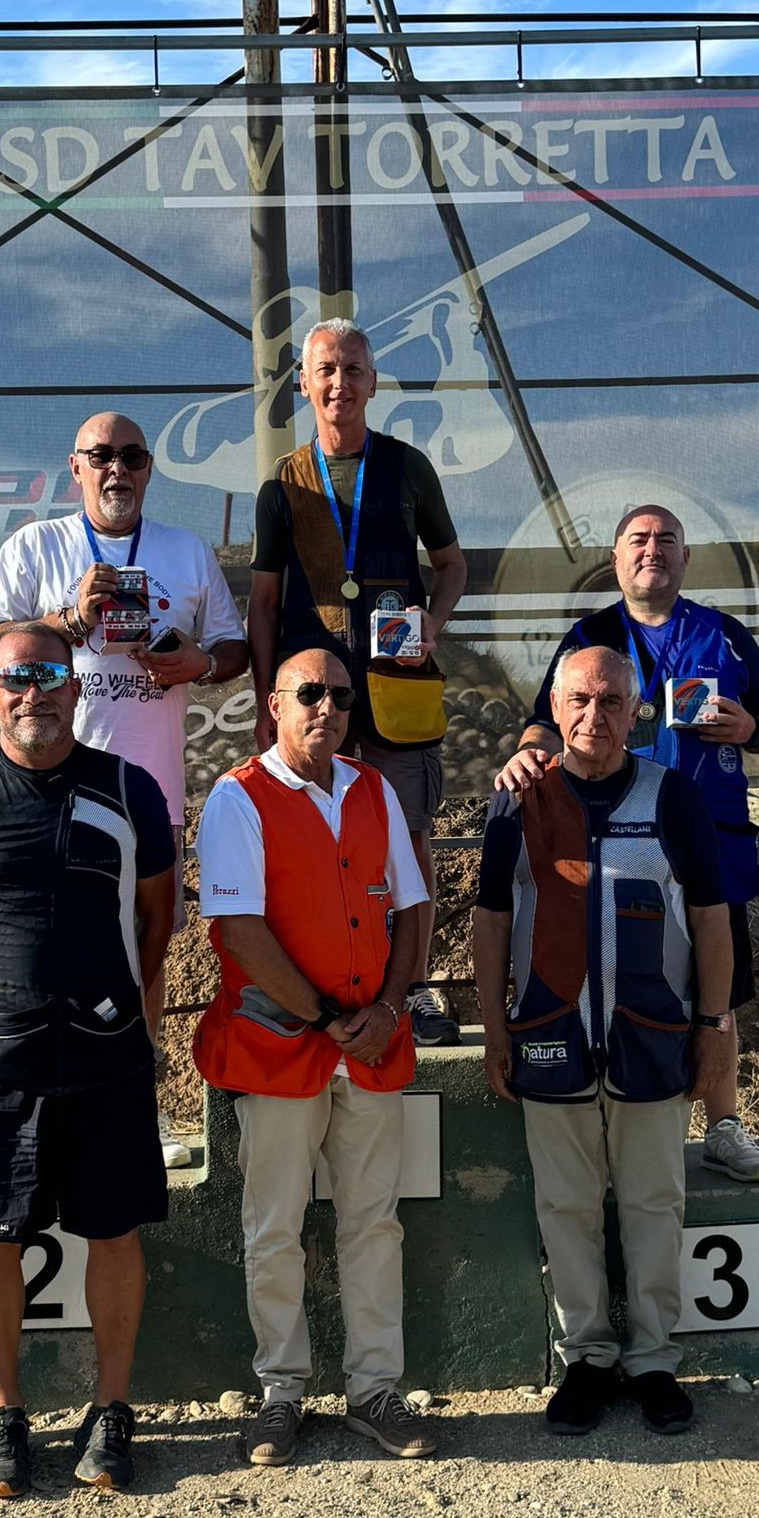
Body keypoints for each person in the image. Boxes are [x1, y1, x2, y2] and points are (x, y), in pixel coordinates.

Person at [0, 621, 178, 1496]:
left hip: (108, 1057)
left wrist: (129, 1011)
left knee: (112, 1231)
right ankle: (4, 1414)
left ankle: (110, 1409)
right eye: (17, 677)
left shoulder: (129, 788)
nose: (36, 692)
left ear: (76, 687)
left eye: (51, 674)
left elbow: (156, 918)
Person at [0, 409, 248, 1164]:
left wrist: (200, 664)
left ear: (149, 468)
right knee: (38, 949)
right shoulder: (35, 546)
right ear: (76, 467)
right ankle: (40, 1123)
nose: (116, 469)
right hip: (46, 792)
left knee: (143, 953)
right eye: (101, 456)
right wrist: (68, 618)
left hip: (145, 792)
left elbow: (232, 647)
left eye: (131, 456)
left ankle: (134, 1122)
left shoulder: (185, 551)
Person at [474, 646, 735, 1438]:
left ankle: (653, 1360)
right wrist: (494, 1030)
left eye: (612, 701)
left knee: (655, 1204)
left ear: (636, 712)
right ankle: (586, 1357)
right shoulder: (518, 799)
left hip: (651, 1038)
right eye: (580, 700)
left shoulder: (672, 795)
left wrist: (713, 1027)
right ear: (554, 710)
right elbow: (490, 922)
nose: (595, 716)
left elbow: (711, 919)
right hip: (548, 1033)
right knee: (565, 1207)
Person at [496, 501, 759, 1184]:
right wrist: (527, 753)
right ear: (616, 557)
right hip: (609, 840)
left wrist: (750, 728)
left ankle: (723, 1124)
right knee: (613, 975)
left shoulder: (723, 633)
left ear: (685, 557)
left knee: (716, 988)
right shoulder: (589, 635)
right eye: (638, 538)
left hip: (708, 837)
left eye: (666, 539)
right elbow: (545, 721)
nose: (652, 549)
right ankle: (610, 1123)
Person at [193, 645, 436, 1467]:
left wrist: (390, 1009)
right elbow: (239, 931)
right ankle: (280, 1394)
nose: (326, 707)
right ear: (274, 705)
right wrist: (331, 1019)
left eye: (339, 694)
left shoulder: (372, 788)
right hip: (280, 1051)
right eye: (308, 693)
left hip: (370, 1047)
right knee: (274, 1228)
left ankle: (375, 1392)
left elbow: (412, 906)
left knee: (374, 1224)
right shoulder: (237, 797)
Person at [248, 319, 469, 1048]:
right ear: (303, 384)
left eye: (352, 369)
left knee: (407, 841)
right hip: (316, 701)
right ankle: (323, 988)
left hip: (398, 692)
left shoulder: (407, 468)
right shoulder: (281, 483)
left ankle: (416, 990)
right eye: (326, 369)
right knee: (311, 844)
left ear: (372, 383)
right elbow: (263, 605)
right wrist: (264, 703)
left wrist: (432, 622)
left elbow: (452, 566)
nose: (339, 382)